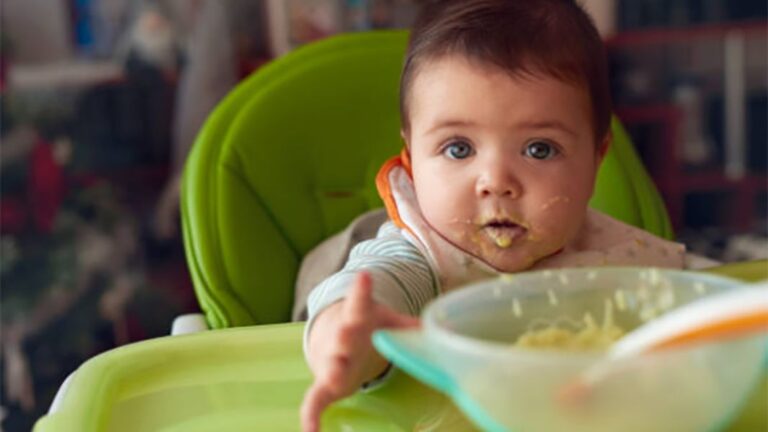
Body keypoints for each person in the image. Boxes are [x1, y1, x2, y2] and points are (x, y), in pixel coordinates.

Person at [299, 1, 685, 430]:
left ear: (597, 159)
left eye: (539, 149)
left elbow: (714, 303)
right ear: (411, 159)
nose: (495, 182)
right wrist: (348, 338)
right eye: (458, 148)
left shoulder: (615, 254)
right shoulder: (421, 257)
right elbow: (371, 290)